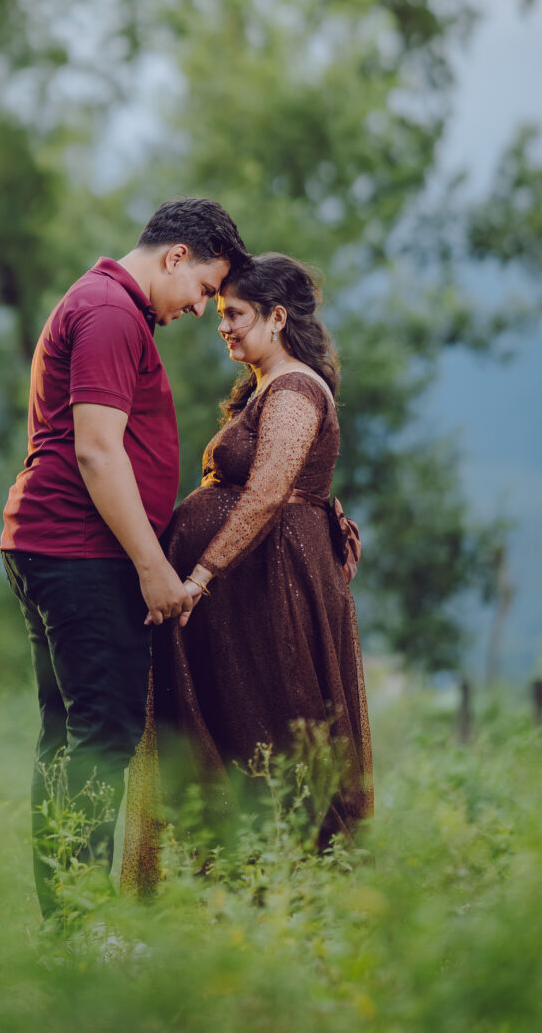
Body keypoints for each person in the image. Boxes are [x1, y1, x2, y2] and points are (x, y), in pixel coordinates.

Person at [0, 198, 248, 917]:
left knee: (71, 739)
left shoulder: (106, 305)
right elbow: (97, 452)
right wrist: (152, 567)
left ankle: (67, 921)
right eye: (203, 289)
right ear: (176, 256)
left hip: (52, 546)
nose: (200, 309)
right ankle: (80, 925)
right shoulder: (110, 311)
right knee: (102, 739)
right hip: (80, 553)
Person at [136, 252, 371, 871]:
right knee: (241, 737)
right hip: (249, 591)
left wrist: (199, 576)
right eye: (220, 313)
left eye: (234, 314)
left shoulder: (294, 387)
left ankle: (308, 885)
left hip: (273, 591)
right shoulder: (266, 388)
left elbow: (268, 493)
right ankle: (244, 883)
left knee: (275, 732)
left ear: (276, 317)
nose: (223, 326)